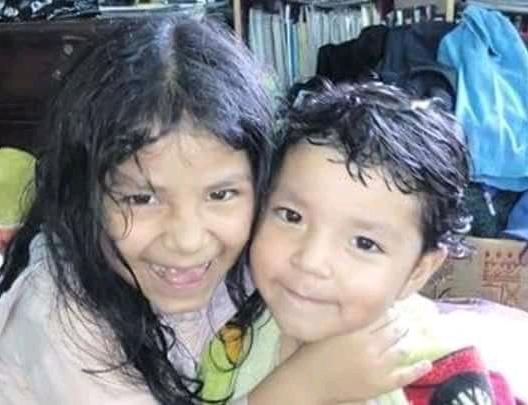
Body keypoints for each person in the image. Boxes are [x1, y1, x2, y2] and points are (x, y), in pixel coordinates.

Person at [0, 16, 430, 405]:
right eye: (142, 198)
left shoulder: (254, 259)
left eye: (221, 194)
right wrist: (302, 389)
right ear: (82, 194)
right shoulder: (60, 317)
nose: (187, 240)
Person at [209, 80, 515, 404]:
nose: (310, 261)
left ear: (418, 271)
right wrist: (299, 387)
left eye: (364, 243)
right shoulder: (231, 332)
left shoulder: (441, 379)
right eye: (291, 216)